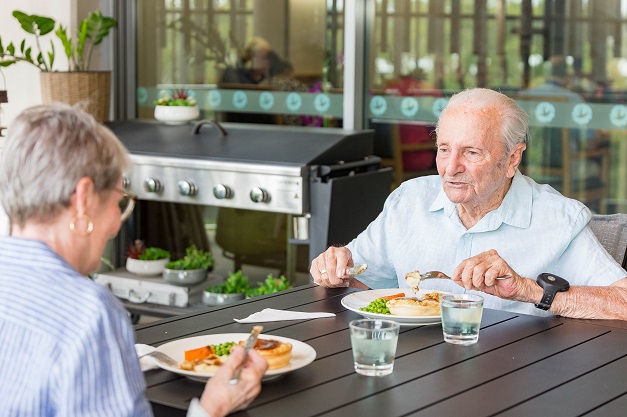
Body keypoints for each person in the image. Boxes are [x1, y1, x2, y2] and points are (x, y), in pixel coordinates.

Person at [0, 103, 268, 416]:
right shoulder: (89, 314)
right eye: (118, 201)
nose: (117, 224)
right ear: (84, 198)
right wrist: (214, 406)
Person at [310, 88, 627, 320]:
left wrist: (529, 291)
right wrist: (337, 271)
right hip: (414, 374)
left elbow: (623, 302)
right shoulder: (408, 202)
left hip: (516, 382)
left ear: (512, 159)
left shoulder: (558, 219)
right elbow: (363, 282)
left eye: (471, 152)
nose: (450, 168)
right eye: (444, 149)